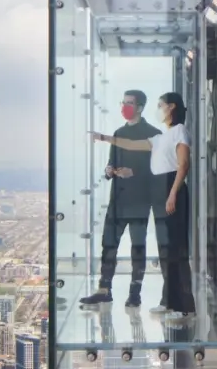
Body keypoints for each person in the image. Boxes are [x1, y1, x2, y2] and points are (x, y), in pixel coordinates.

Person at [92, 92, 196, 316]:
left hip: (170, 190)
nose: (158, 110)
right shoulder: (162, 137)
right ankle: (169, 301)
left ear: (171, 107)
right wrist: (104, 137)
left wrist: (172, 194)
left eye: (161, 106)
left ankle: (183, 305)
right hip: (161, 194)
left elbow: (184, 165)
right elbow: (130, 144)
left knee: (176, 250)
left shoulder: (179, 131)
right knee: (166, 251)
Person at [80, 90, 164, 308]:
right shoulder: (118, 132)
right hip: (117, 201)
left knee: (137, 247)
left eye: (129, 103)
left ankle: (134, 294)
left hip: (140, 201)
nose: (124, 107)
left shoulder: (153, 133)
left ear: (140, 107)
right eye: (123, 102)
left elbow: (158, 170)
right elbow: (111, 163)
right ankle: (104, 290)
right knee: (108, 245)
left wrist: (133, 172)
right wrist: (109, 171)